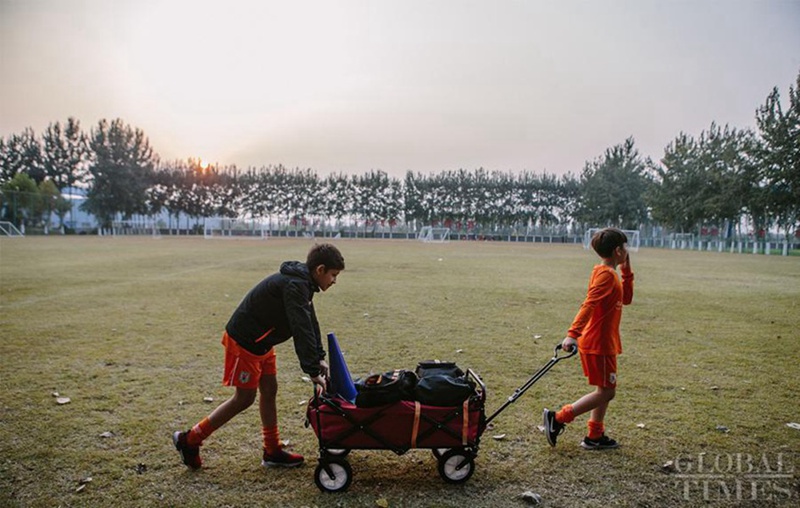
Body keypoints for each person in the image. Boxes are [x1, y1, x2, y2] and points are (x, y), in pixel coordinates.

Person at [173, 243, 345, 469]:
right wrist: (312, 369)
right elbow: (300, 329)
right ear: (320, 270)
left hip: (262, 343)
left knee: (270, 389)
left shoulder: (303, 284)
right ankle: (190, 439)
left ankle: (272, 450)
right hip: (245, 342)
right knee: (244, 399)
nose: (334, 281)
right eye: (333, 275)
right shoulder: (295, 285)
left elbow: (310, 322)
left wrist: (320, 356)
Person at [543, 228, 634, 450]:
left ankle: (595, 436)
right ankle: (558, 418)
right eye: (625, 247)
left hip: (605, 342)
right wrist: (572, 334)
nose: (628, 251)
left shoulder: (608, 272)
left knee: (604, 389)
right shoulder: (605, 274)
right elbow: (589, 304)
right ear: (617, 250)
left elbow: (627, 299)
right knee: (607, 391)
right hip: (598, 343)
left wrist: (627, 269)